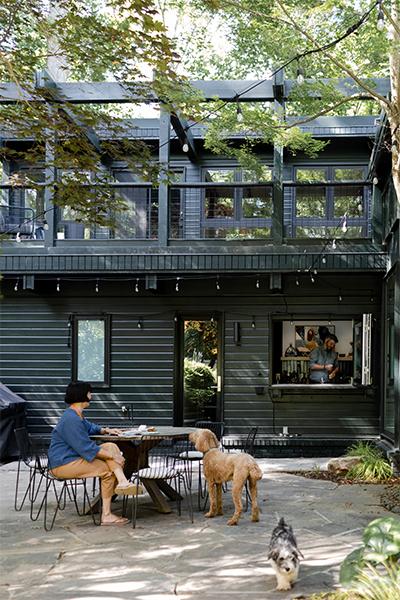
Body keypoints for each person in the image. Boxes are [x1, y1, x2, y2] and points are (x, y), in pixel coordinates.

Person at [48, 381, 135, 526]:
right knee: (108, 469)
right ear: (82, 395)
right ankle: (107, 514)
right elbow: (87, 449)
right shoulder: (71, 419)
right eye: (89, 392)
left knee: (110, 445)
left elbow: (91, 427)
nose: (91, 395)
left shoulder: (76, 415)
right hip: (63, 463)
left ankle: (122, 481)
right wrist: (115, 457)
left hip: (73, 459)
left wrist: (106, 430)